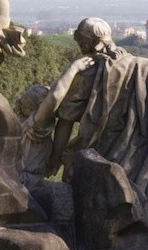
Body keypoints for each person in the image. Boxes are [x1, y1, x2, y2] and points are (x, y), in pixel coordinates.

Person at [47, 18, 148, 211]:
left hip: (96, 161)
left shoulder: (87, 74)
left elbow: (65, 121)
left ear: (87, 42)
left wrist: (54, 158)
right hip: (138, 160)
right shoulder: (146, 69)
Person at [14, 56, 96, 188]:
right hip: (27, 183)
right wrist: (73, 68)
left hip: (24, 178)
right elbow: (55, 95)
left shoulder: (21, 122)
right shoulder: (34, 125)